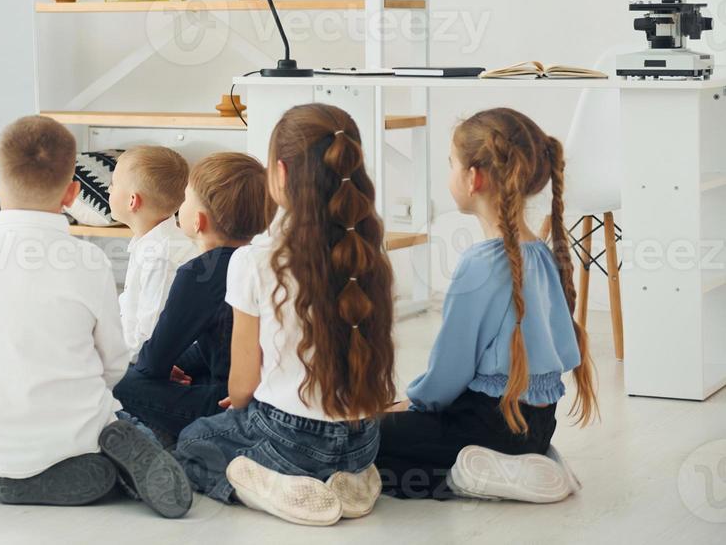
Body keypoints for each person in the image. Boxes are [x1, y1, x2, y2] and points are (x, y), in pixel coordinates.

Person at [0, 116, 193, 518]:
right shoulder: (89, 262)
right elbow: (112, 365)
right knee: (114, 414)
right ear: (73, 192)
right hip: (74, 435)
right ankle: (121, 453)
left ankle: (3, 474)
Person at [175, 104, 396, 526]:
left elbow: (243, 385)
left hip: (290, 437)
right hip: (364, 438)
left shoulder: (255, 259)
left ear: (280, 172)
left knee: (193, 441)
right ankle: (350, 475)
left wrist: (239, 408)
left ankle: (277, 485)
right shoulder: (368, 249)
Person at [375, 108, 597, 502]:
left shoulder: (480, 264)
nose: (448, 175)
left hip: (486, 424)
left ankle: (476, 474)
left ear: (473, 178)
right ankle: (531, 463)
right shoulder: (543, 254)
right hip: (540, 424)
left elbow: (448, 372)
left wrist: (412, 404)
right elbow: (563, 351)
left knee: (357, 438)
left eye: (450, 165)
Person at [113, 152, 272, 443]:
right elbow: (214, 345)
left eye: (184, 200)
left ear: (198, 221)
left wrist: (156, 366)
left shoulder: (200, 273)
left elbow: (153, 361)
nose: (179, 206)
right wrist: (177, 365)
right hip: (257, 391)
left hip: (227, 405)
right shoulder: (261, 260)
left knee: (117, 379)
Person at [110, 146, 197, 353]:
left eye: (113, 184)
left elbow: (150, 336)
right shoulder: (148, 243)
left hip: (152, 361)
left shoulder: (161, 256)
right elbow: (129, 311)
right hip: (137, 353)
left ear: (133, 201)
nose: (108, 189)